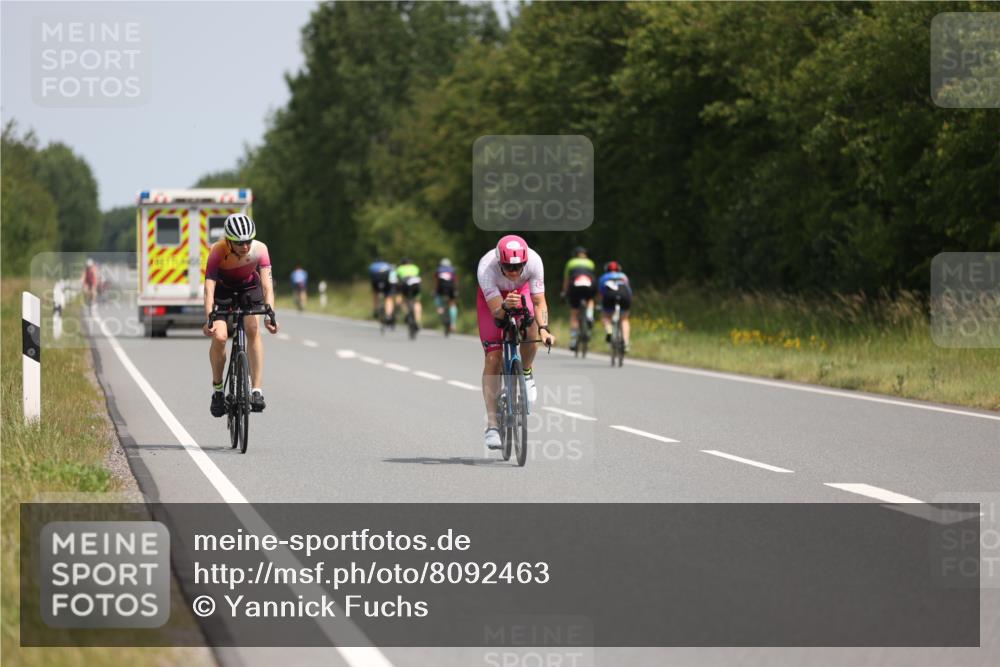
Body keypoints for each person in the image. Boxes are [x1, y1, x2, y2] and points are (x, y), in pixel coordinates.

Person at [477, 235, 555, 450]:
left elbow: (539, 301)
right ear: (499, 262)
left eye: (518, 267)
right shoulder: (486, 268)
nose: (513, 272)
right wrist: (504, 305)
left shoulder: (535, 261)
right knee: (493, 358)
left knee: (531, 328)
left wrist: (544, 329)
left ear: (525, 261)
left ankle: (526, 372)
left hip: (522, 293)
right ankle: (492, 424)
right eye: (508, 267)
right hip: (492, 302)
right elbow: (496, 315)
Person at [203, 213, 278, 416]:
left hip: (248, 288)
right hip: (223, 291)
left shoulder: (260, 249)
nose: (245, 246)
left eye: (247, 241)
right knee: (219, 337)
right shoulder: (217, 251)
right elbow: (209, 288)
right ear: (228, 240)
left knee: (253, 328)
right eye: (239, 242)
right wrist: (208, 316)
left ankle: (256, 391)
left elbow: (267, 286)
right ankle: (218, 391)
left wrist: (270, 313)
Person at [560, 246, 597, 352]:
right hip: (589, 285)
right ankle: (589, 316)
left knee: (574, 314)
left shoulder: (571, 263)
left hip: (575, 287)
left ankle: (573, 340)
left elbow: (567, 280)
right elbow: (592, 277)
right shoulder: (590, 263)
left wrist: (564, 292)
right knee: (590, 300)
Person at [598, 261, 632, 351]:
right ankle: (626, 342)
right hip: (625, 296)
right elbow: (629, 290)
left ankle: (609, 330)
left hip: (610, 296)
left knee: (606, 316)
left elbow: (601, 294)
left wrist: (601, 306)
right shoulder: (623, 276)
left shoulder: (604, 277)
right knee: (624, 319)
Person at [396, 258, 422, 329]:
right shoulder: (415, 267)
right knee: (417, 302)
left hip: (405, 284)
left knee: (401, 300)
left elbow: (396, 279)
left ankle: (407, 313)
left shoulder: (399, 268)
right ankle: (417, 321)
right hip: (416, 284)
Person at [434, 257, 459, 330]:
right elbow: (455, 281)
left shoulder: (438, 270)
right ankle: (453, 324)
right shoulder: (452, 270)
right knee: (452, 304)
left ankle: (440, 308)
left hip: (441, 288)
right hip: (451, 288)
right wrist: (456, 291)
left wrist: (435, 291)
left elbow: (436, 282)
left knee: (438, 297)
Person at [368, 258, 396, 323]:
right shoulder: (388, 265)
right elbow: (393, 277)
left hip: (376, 282)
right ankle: (388, 315)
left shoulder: (372, 266)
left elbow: (370, 277)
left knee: (375, 293)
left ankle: (376, 309)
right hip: (387, 282)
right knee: (388, 298)